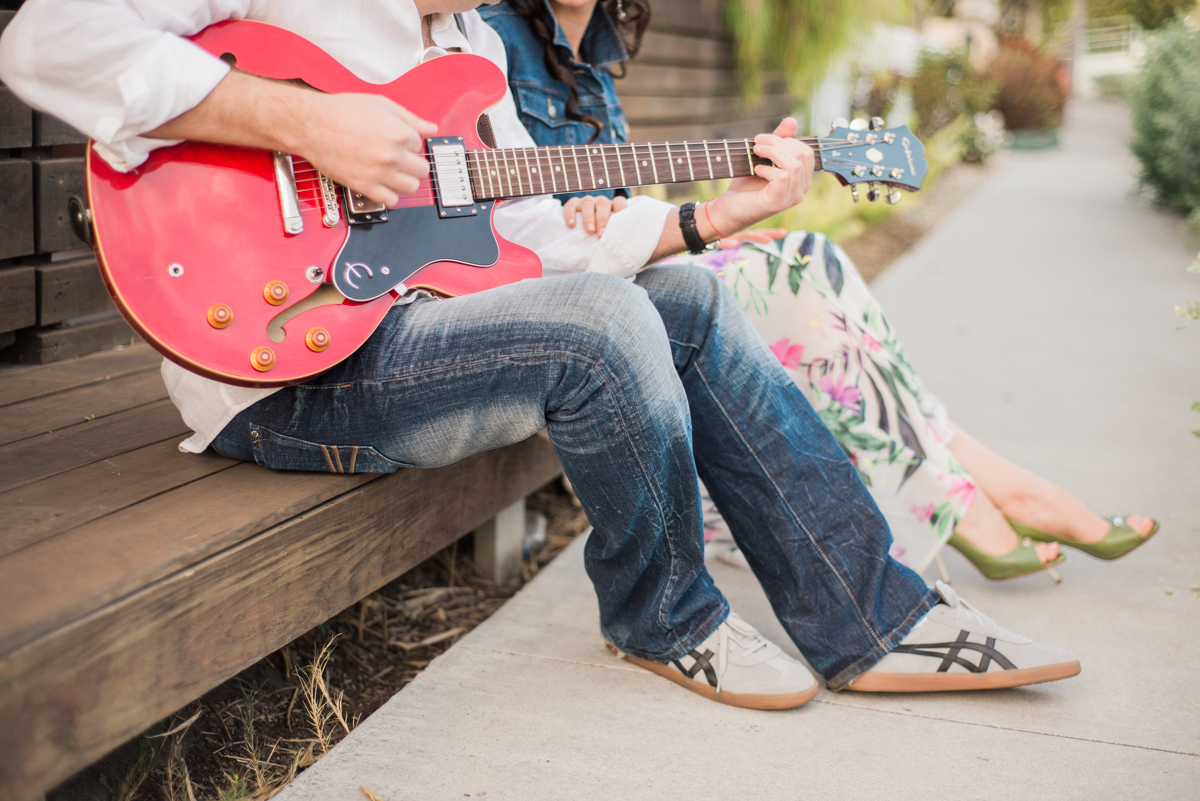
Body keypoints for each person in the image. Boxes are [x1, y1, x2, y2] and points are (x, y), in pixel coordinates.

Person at [1, 0, 1081, 710]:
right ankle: (665, 617)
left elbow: (544, 239)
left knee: (682, 301)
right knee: (602, 325)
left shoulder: (470, 54)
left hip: (419, 337)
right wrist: (299, 122)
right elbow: (44, 44)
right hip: (283, 370)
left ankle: (870, 617)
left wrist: (711, 217)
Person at [479, 0, 1158, 581]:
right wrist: (586, 217)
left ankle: (972, 490)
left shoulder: (595, 51)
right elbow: (508, 220)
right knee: (797, 267)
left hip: (613, 271)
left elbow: (611, 208)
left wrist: (708, 233)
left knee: (804, 255)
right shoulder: (488, 34)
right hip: (547, 302)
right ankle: (979, 496)